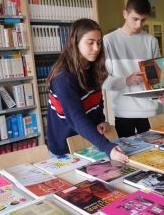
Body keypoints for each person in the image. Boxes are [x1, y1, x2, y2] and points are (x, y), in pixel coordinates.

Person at [46, 19, 128, 163]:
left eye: (99, 42)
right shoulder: (63, 77)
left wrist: (100, 120)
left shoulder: (93, 67)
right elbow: (76, 118)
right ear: (75, 42)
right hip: (64, 149)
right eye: (90, 42)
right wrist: (107, 146)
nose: (96, 48)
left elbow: (96, 99)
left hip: (88, 142)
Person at [103, 0, 164, 138]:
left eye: (143, 20)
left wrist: (162, 96)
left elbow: (157, 79)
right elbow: (103, 81)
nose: (139, 25)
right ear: (125, 14)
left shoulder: (151, 41)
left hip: (149, 112)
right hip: (123, 113)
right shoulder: (109, 40)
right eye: (135, 19)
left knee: (152, 154)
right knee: (126, 156)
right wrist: (125, 81)